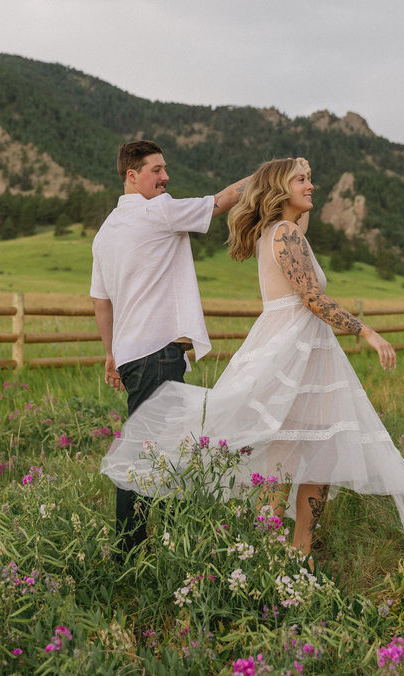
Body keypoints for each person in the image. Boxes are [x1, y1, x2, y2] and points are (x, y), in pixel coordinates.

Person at [100, 157, 404, 562]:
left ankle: (279, 553)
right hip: (292, 348)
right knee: (308, 450)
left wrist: (298, 170)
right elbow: (311, 297)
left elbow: (299, 236)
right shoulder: (284, 234)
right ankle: (292, 550)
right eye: (302, 180)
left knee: (295, 448)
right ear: (281, 190)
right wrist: (367, 332)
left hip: (300, 348)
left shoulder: (280, 231)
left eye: (311, 179)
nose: (311, 186)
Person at [90, 139, 251, 554]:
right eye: (157, 170)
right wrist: (267, 176)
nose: (166, 177)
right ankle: (132, 549)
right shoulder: (157, 211)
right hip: (158, 354)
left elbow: (101, 300)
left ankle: (160, 542)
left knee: (159, 448)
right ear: (132, 174)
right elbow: (220, 202)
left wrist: (110, 353)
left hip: (131, 355)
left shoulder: (106, 231)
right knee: (154, 452)